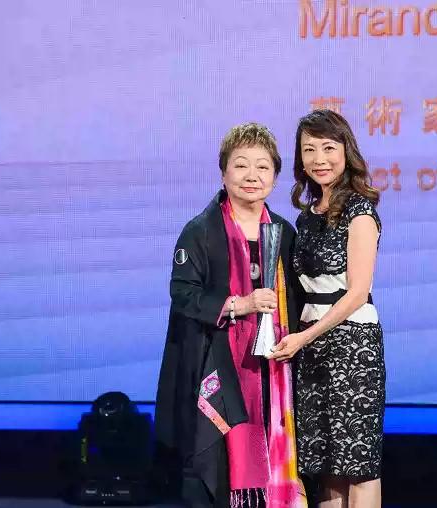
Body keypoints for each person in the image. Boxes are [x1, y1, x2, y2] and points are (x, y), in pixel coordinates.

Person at [155, 123, 306, 507]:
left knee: (270, 457)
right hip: (216, 365)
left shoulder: (284, 233)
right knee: (214, 471)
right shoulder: (201, 232)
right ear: (223, 173)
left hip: (272, 371)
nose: (252, 175)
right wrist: (240, 305)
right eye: (241, 165)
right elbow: (183, 294)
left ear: (275, 176)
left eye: (262, 166)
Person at [270, 110, 385, 507]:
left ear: (345, 151)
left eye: (328, 148)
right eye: (309, 150)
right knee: (324, 466)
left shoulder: (360, 211)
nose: (319, 159)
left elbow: (357, 293)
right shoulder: (305, 218)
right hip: (311, 347)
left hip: (352, 346)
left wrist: (304, 338)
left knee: (358, 463)